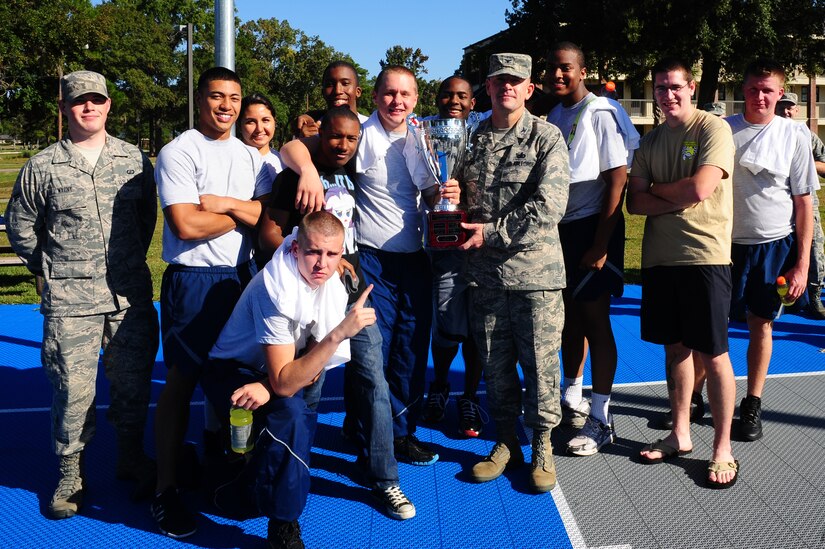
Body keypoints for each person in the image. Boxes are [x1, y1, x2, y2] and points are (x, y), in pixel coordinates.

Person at [280, 65, 459, 467]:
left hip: (415, 258)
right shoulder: (358, 131)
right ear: (374, 97)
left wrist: (446, 196)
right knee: (371, 355)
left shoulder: (423, 136)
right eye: (389, 93)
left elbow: (430, 193)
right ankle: (365, 431)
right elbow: (292, 147)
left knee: (410, 350)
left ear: (415, 99)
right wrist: (307, 168)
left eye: (406, 94)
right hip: (371, 260)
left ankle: (400, 432)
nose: (397, 101)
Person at [5, 70, 159, 517]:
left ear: (109, 105)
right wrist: (52, 268)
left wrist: (124, 262)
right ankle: (71, 472)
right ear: (64, 109)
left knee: (132, 385)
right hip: (71, 303)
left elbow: (145, 219)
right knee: (72, 391)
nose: (88, 107)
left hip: (127, 297)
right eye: (78, 101)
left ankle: (131, 457)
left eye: (96, 100)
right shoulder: (42, 166)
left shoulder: (133, 160)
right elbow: (21, 227)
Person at [260, 106, 415, 520]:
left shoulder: (357, 171)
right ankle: (294, 476)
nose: (343, 145)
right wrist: (305, 261)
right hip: (307, 299)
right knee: (306, 388)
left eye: (351, 138)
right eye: (334, 137)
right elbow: (270, 233)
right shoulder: (296, 174)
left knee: (373, 383)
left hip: (352, 296)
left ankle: (386, 480)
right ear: (319, 134)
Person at [202, 211, 376, 549]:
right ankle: (282, 525)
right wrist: (340, 333)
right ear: (295, 248)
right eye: (313, 252)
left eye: (331, 254)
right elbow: (286, 382)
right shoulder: (275, 289)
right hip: (230, 372)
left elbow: (304, 368)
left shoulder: (329, 283)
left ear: (342, 256)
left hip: (270, 374)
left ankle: (243, 488)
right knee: (292, 415)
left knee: (295, 415)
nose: (321, 264)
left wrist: (270, 385)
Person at [151, 66, 271, 538]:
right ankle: (166, 491)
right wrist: (241, 213)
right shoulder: (179, 151)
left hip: (241, 279)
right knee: (182, 383)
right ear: (200, 99)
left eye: (234, 97)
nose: (226, 105)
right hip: (194, 282)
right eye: (217, 96)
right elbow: (185, 225)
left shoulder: (251, 156)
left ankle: (224, 468)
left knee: (238, 382)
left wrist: (221, 205)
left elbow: (267, 214)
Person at [627, 57, 739, 489]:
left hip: (705, 257)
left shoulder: (713, 129)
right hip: (660, 259)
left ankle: (722, 448)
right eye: (659, 88)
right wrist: (673, 196)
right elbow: (635, 203)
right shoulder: (650, 142)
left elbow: (700, 188)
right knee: (675, 351)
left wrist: (660, 192)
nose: (667, 95)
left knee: (713, 353)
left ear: (690, 87)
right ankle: (680, 434)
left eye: (675, 87)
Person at [460, 53, 569, 493]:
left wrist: (490, 233)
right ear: (487, 87)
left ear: (528, 89)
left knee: (540, 367)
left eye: (516, 81)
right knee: (494, 365)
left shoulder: (547, 138)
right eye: (498, 79)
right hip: (484, 277)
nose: (507, 86)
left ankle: (542, 443)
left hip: (535, 276)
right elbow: (457, 197)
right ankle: (505, 441)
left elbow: (550, 206)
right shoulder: (469, 138)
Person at [545, 42, 639, 456]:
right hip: (562, 230)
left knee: (595, 320)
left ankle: (602, 417)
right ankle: (572, 395)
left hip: (592, 230)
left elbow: (617, 178)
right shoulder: (555, 112)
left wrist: (601, 243)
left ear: (582, 71)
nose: (558, 75)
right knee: (569, 320)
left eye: (566, 68)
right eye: (553, 69)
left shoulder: (600, 111)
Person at [726, 60, 818, 442]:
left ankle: (752, 402)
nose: (759, 96)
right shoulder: (722, 129)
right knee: (710, 326)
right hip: (723, 245)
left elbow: (804, 204)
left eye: (768, 90)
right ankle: (697, 397)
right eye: (752, 89)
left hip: (773, 245)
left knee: (761, 324)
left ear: (780, 93)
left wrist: (801, 263)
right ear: (742, 90)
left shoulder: (795, 135)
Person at [420, 75, 487, 438]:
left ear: (472, 101)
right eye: (447, 95)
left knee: (477, 324)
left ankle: (470, 396)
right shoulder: (424, 134)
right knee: (445, 321)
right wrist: (439, 193)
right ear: (438, 98)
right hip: (444, 240)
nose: (455, 101)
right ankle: (441, 384)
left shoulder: (483, 134)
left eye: (462, 95)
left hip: (481, 245)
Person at [774, 91, 825, 320]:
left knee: (813, 250)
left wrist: (802, 163)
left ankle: (813, 296)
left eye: (790, 107)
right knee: (778, 249)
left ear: (796, 110)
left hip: (806, 202)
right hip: (777, 202)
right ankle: (782, 297)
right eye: (781, 106)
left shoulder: (807, 135)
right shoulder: (768, 133)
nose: (785, 110)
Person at [238, 92, 284, 267]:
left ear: (274, 122)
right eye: (250, 121)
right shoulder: (233, 159)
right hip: (243, 256)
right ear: (239, 124)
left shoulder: (284, 161)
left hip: (278, 255)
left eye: (265, 120)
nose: (259, 129)